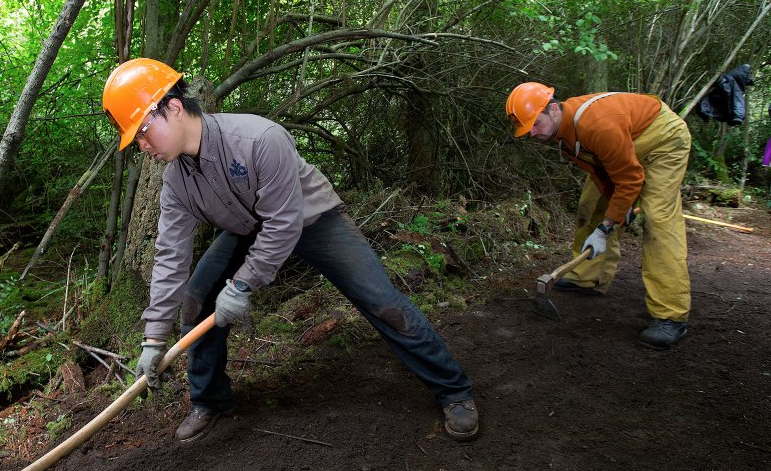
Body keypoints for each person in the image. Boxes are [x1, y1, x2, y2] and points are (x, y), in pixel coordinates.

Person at [102, 58, 479, 443]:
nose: (143, 146)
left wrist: (243, 285)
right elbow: (169, 257)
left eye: (144, 131)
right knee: (197, 300)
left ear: (175, 108)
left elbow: (283, 223)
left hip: (311, 219)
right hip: (248, 228)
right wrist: (153, 340)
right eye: (137, 140)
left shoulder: (259, 138)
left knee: (382, 302)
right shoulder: (175, 181)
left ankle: (454, 390)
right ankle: (211, 400)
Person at [506, 83, 691, 349]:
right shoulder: (564, 135)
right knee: (592, 205)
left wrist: (605, 229)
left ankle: (670, 315)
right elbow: (601, 169)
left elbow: (630, 177)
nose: (532, 133)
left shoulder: (596, 125)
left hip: (662, 138)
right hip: (622, 145)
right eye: (527, 129)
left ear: (554, 109)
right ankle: (588, 276)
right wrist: (618, 208)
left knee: (658, 219)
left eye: (535, 123)